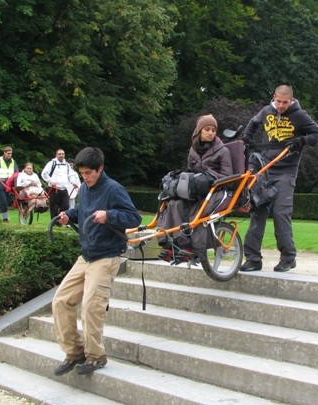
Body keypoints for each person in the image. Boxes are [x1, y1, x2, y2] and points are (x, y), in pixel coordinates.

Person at [52, 147, 141, 376]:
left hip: (107, 256)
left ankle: (96, 356)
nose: (86, 177)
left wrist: (109, 215)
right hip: (87, 255)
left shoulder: (113, 189)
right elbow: (83, 210)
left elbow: (134, 217)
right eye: (82, 173)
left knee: (92, 306)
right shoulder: (84, 187)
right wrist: (67, 216)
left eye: (89, 173)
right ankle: (74, 353)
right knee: (61, 301)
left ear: (100, 169)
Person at [239, 85, 318, 272]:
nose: (280, 106)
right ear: (274, 97)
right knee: (257, 213)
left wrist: (301, 141)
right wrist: (246, 140)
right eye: (278, 101)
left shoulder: (300, 115)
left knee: (280, 213)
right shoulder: (266, 111)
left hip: (286, 171)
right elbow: (253, 123)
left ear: (291, 100)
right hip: (264, 169)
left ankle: (288, 258)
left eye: (285, 102)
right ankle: (253, 259)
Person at [157, 114, 233, 263]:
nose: (211, 132)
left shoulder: (223, 151)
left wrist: (208, 176)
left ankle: (191, 248)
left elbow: (228, 176)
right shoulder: (193, 151)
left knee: (197, 212)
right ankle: (171, 244)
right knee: (174, 204)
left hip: (216, 190)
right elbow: (190, 171)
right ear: (199, 131)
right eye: (207, 129)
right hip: (197, 191)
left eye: (213, 130)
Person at [41, 149, 79, 219]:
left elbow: (70, 175)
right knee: (54, 207)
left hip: (64, 188)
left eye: (62, 154)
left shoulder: (67, 165)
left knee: (66, 206)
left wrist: (73, 182)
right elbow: (44, 174)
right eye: (59, 154)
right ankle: (54, 222)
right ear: (56, 155)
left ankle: (62, 220)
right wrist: (51, 181)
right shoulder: (52, 163)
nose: (61, 155)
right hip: (54, 188)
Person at [0, 146, 18, 223]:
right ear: (4, 153)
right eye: (8, 153)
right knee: (4, 202)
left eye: (11, 153)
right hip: (0, 184)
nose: (9, 155)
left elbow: (16, 173)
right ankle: (5, 219)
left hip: (9, 185)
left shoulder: (13, 162)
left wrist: (15, 185)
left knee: (6, 202)